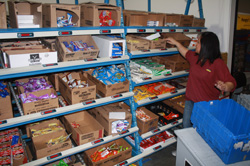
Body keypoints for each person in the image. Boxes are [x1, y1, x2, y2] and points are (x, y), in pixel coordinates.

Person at [165, 31, 237, 156]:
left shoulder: (217, 63)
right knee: (186, 126)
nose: (195, 44)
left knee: (202, 131)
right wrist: (176, 42)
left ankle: (199, 155)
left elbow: (232, 82)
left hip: (207, 105)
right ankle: (184, 151)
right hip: (190, 101)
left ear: (206, 45)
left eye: (198, 42)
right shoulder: (195, 58)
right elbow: (185, 52)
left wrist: (225, 86)